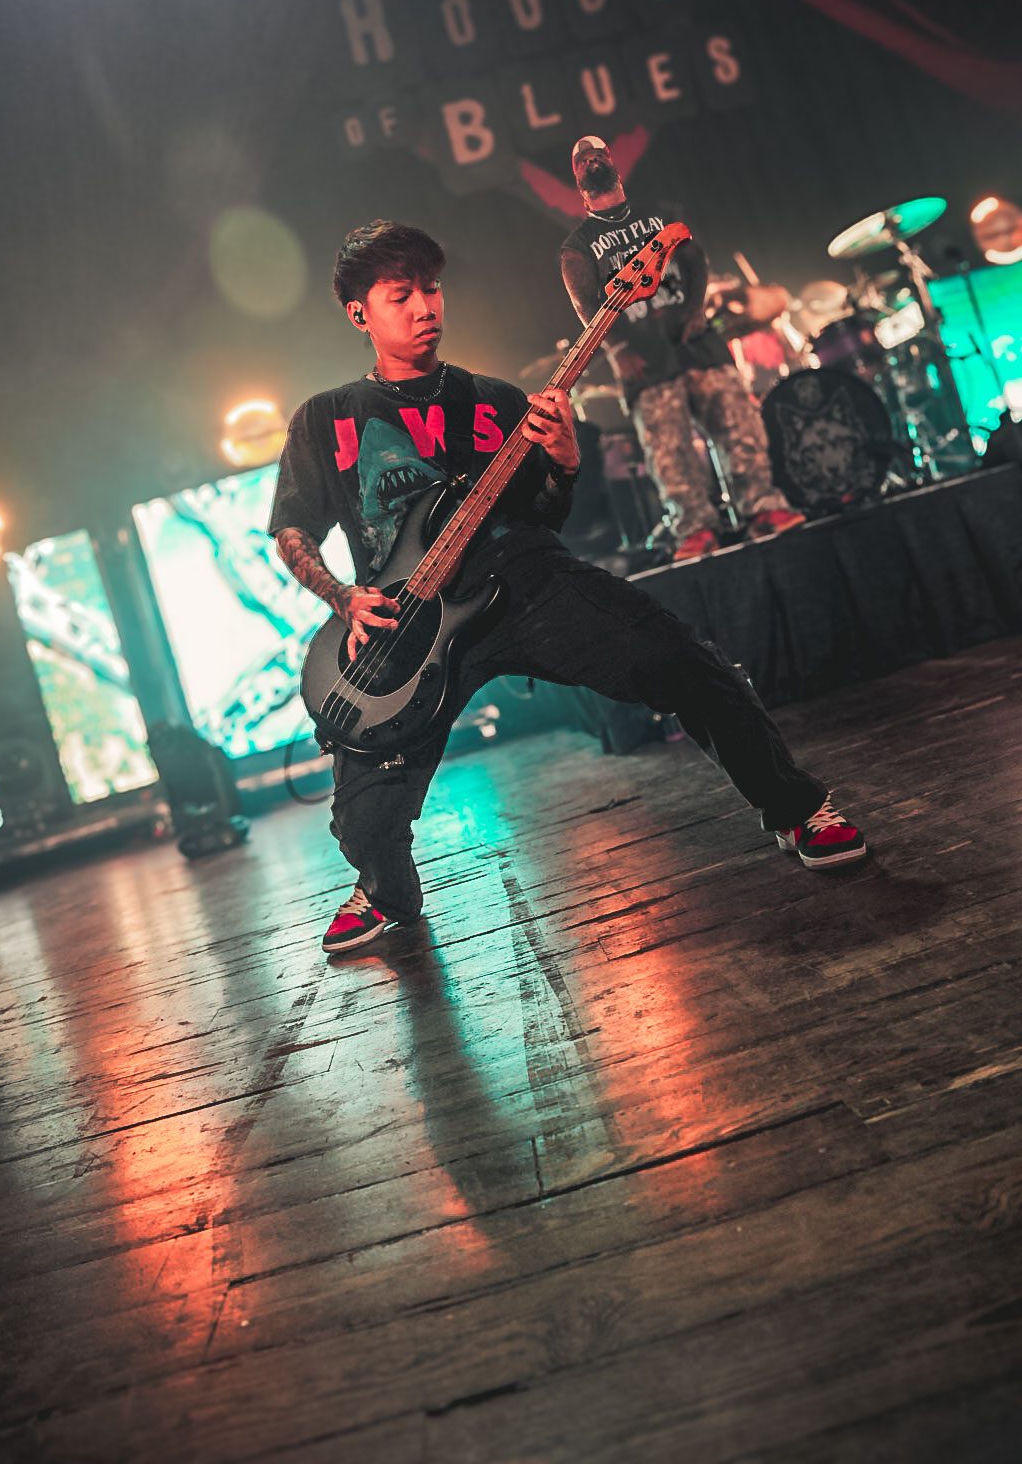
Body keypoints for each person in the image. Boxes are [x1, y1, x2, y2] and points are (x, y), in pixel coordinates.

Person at [268, 220, 867, 955]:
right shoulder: (324, 418)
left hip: (525, 582)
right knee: (363, 816)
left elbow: (547, 514)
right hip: (407, 621)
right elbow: (292, 528)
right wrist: (342, 597)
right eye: (402, 295)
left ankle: (796, 809)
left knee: (683, 660)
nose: (425, 307)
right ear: (359, 312)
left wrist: (565, 461)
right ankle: (384, 892)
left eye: (432, 289)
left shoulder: (492, 400)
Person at [560, 135, 805, 561]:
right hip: (645, 360)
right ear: (577, 177)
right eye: (583, 160)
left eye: (599, 155)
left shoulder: (661, 214)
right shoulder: (578, 246)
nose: (593, 162)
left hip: (696, 344)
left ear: (613, 162)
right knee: (669, 453)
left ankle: (763, 509)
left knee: (739, 428)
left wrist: (695, 310)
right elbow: (586, 306)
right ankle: (696, 528)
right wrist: (618, 351)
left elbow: (696, 262)